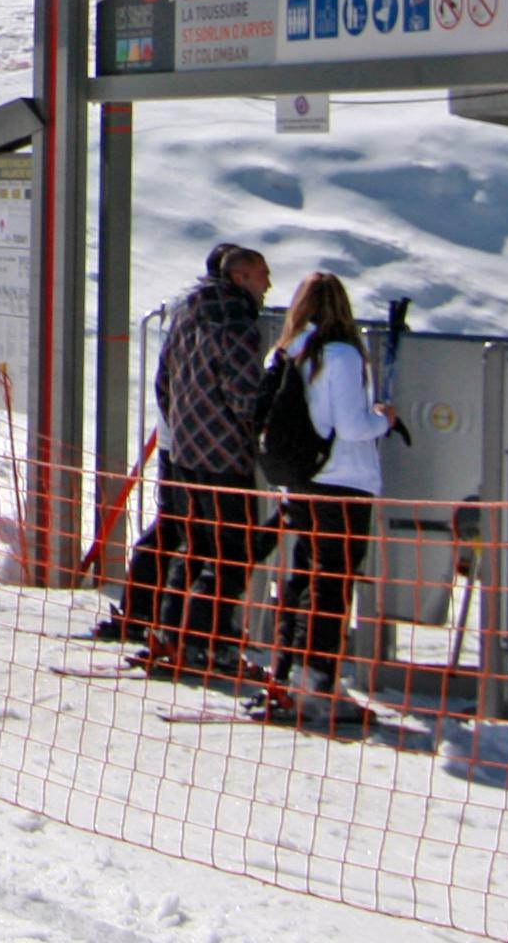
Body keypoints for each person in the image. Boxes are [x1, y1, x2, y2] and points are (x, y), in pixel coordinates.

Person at [106, 244, 269, 673]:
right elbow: (245, 395)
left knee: (190, 541)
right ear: (239, 278)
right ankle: (202, 640)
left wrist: (183, 426)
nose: (268, 284)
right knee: (231, 551)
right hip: (226, 454)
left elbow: (164, 380)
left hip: (185, 448)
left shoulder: (187, 314)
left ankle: (166, 630)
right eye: (261, 275)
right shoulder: (237, 323)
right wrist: (260, 428)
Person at [266, 270, 394, 724]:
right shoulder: (338, 355)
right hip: (343, 481)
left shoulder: (285, 351)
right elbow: (353, 427)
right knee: (332, 581)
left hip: (298, 481)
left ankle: (285, 673)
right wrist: (384, 419)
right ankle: (319, 678)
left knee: (301, 576)